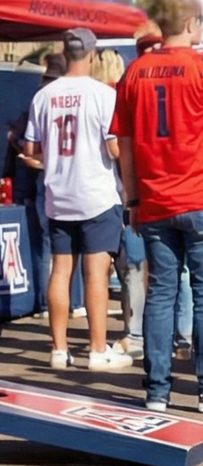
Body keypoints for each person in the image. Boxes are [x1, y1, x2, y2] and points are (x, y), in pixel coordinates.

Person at [112, 0, 203, 413]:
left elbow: (125, 146)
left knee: (160, 294)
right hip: (201, 198)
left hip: (155, 201)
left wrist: (133, 199)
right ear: (193, 24)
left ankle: (157, 391)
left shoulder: (135, 72)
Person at [23, 28, 132, 371]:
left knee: (60, 269)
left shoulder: (44, 96)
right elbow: (114, 148)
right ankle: (97, 350)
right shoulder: (103, 94)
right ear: (92, 54)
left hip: (59, 193)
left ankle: (59, 349)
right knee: (96, 272)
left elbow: (31, 148)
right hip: (96, 193)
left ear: (65, 53)